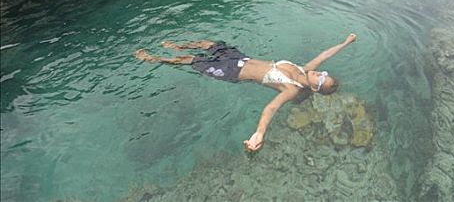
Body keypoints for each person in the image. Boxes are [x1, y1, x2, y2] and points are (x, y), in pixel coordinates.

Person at [135, 33, 357, 152]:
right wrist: (346, 42)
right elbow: (325, 54)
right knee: (210, 44)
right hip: (241, 59)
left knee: (191, 61)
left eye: (320, 79)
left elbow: (270, 108)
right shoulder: (305, 69)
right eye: (323, 73)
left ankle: (155, 59)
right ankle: (177, 45)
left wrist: (259, 133)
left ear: (315, 88)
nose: (319, 73)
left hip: (233, 72)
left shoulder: (292, 89)